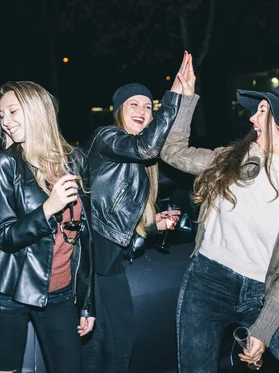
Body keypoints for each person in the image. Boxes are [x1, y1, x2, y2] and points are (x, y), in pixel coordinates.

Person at [161, 59, 279, 372]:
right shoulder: (235, 159)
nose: (252, 117)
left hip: (263, 294)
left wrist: (263, 331)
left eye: (262, 111)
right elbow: (173, 152)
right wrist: (185, 99)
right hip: (207, 282)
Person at [82, 52, 191, 373]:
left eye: (148, 106)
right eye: (135, 104)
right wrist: (173, 97)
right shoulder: (108, 138)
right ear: (118, 110)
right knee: (116, 348)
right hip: (98, 262)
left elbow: (122, 210)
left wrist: (153, 224)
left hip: (109, 261)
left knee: (101, 349)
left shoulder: (138, 156)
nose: (143, 110)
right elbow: (148, 146)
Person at [0, 81, 95, 373]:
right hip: (9, 290)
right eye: (1, 114)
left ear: (35, 111)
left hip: (59, 293)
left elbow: (85, 240)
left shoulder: (75, 160)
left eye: (13, 111)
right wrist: (48, 208)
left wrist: (86, 303)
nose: (5, 121)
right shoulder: (7, 163)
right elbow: (5, 236)